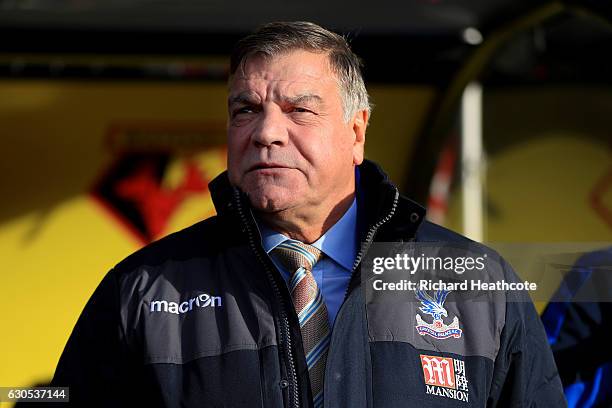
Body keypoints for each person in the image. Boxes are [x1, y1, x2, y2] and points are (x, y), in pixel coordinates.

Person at [51, 21, 566, 407]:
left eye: (300, 109)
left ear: (357, 132)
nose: (266, 132)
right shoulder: (144, 289)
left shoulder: (479, 285)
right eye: (245, 110)